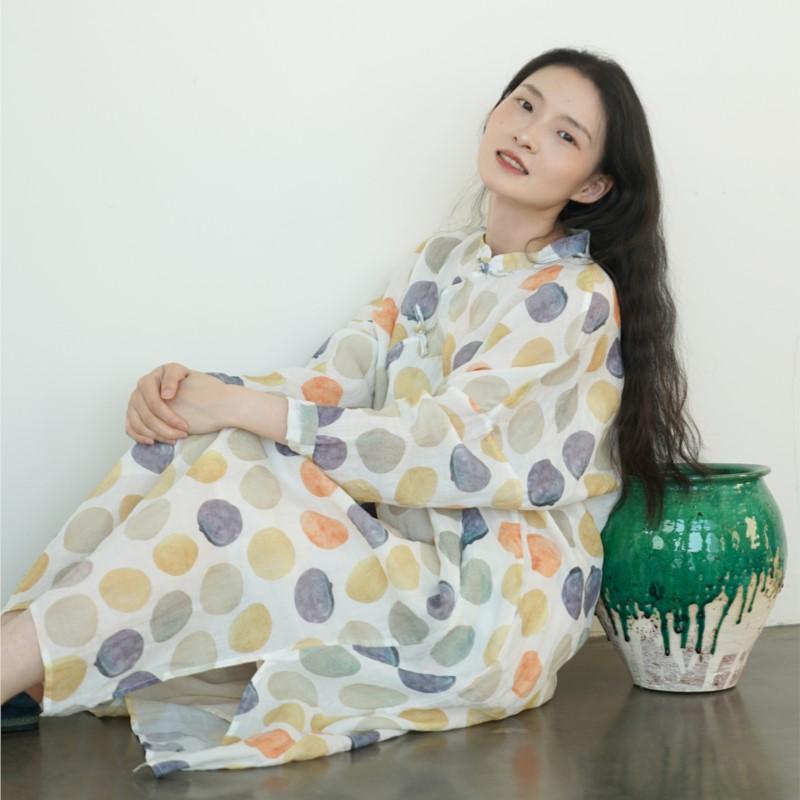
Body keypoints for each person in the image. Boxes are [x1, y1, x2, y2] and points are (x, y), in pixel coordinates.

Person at [0, 46, 709, 776]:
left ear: (592, 183)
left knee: (238, 465)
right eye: (525, 104)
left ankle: (15, 661)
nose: (528, 133)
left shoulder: (574, 296)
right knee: (195, 437)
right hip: (396, 554)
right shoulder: (440, 260)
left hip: (485, 602)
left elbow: (446, 448)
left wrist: (242, 407)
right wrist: (199, 392)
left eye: (564, 134)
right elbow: (336, 380)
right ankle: (22, 666)